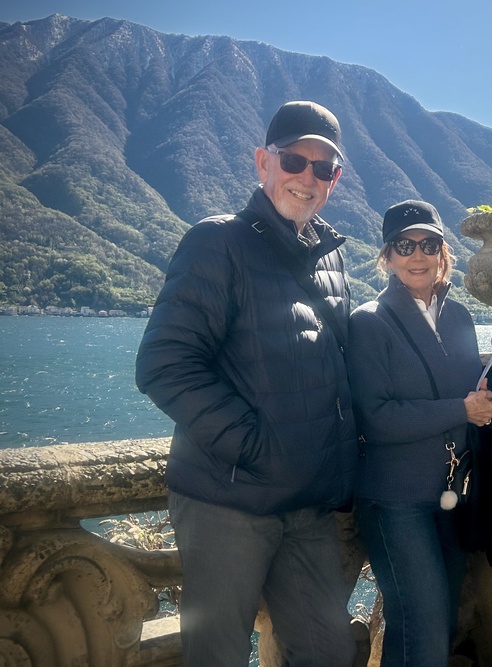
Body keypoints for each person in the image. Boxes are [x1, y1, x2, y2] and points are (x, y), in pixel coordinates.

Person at [135, 101, 359, 665]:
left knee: (329, 650)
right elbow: (165, 364)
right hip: (226, 502)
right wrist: (256, 448)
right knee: (218, 654)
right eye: (293, 160)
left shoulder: (330, 259)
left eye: (324, 167)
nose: (307, 178)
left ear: (337, 178)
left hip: (305, 506)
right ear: (263, 162)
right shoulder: (217, 243)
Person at [347, 200, 492, 666]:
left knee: (431, 626)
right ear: (387, 256)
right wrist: (463, 409)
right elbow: (376, 417)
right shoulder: (369, 322)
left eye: (428, 244)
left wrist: (488, 403)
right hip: (396, 501)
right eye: (404, 245)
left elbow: (472, 395)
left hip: (451, 494)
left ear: (443, 253)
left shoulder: (460, 319)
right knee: (425, 629)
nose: (418, 255)